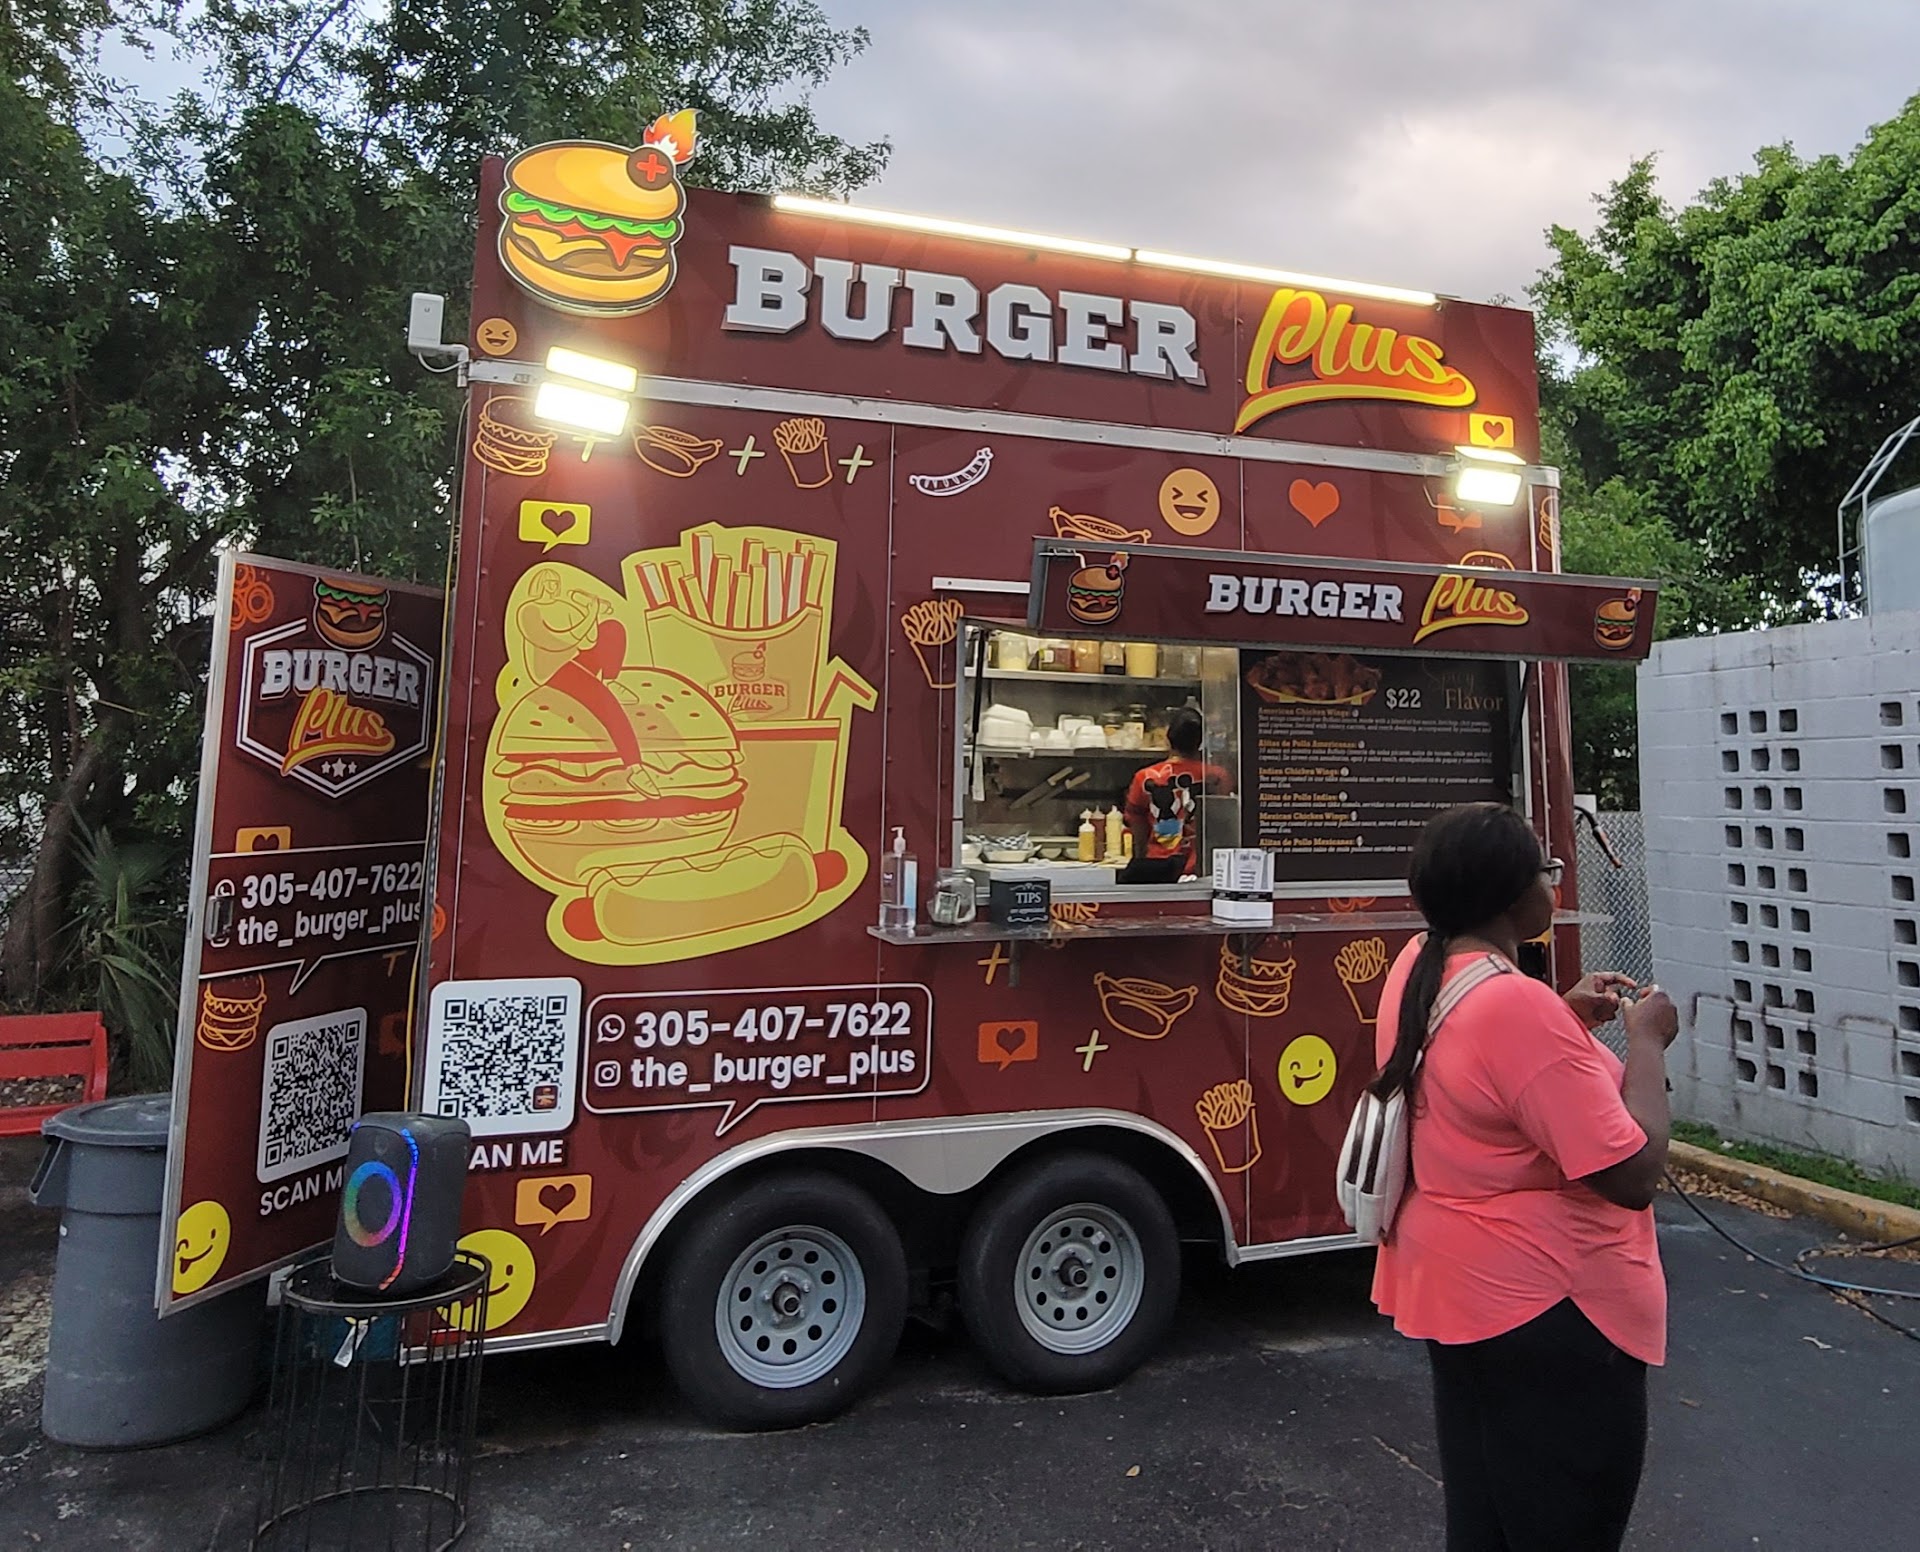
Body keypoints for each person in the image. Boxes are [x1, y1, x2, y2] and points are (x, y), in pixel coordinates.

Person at [1370, 802, 1679, 1552]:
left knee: (1488, 1525)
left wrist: (1566, 1016)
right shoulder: (1514, 1005)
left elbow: (1487, 1080)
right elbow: (1632, 1173)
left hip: (1463, 1292)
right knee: (1565, 1525)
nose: (1555, 883)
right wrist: (1647, 1043)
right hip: (1552, 1311)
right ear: (1513, 898)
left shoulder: (1420, 964)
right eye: (1548, 870)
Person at [1118, 706, 1230, 883]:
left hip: (1157, 868)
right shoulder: (1217, 776)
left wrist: (1140, 860)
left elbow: (1137, 826)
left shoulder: (1145, 777)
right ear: (1201, 741)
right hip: (1203, 868)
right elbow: (1223, 826)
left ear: (1168, 738)